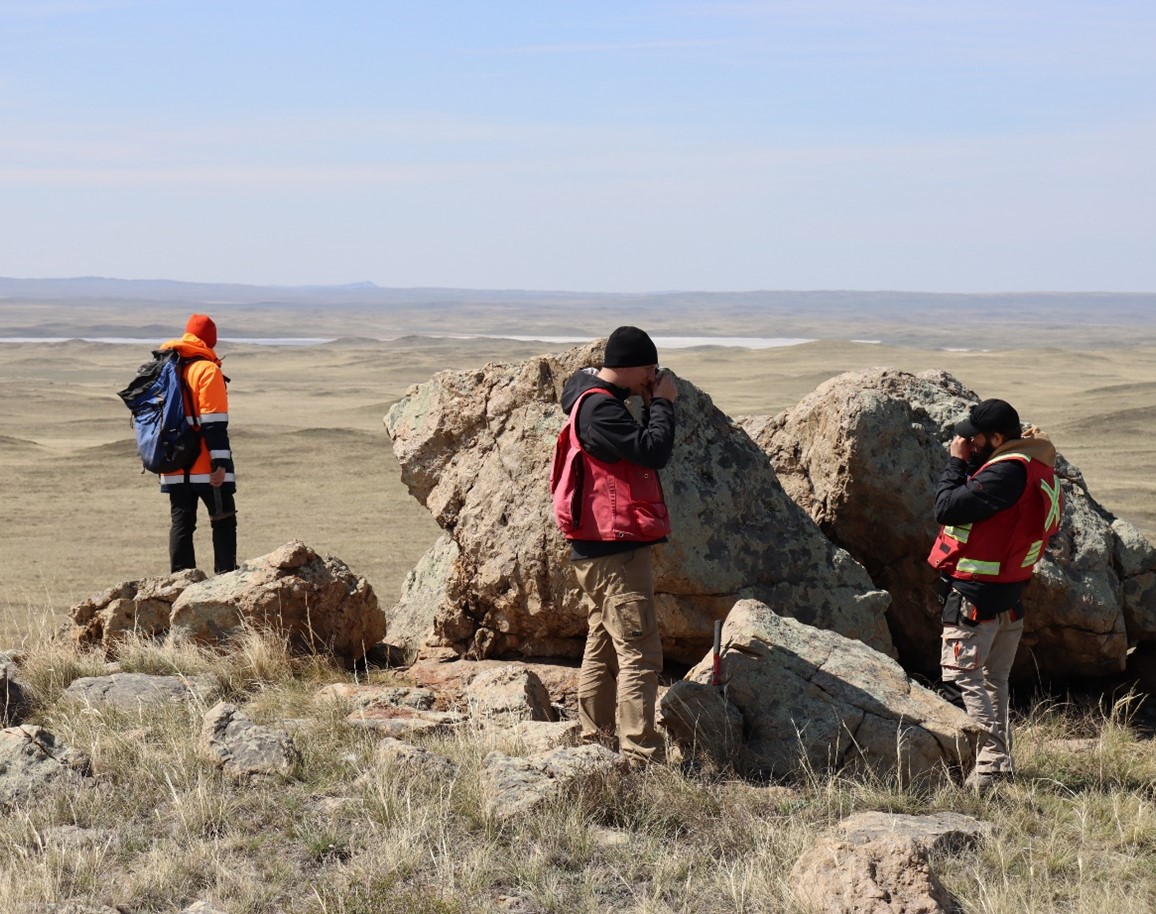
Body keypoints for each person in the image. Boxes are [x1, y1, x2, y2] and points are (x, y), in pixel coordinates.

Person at [555, 326, 678, 765]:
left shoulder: (592, 402)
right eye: (649, 368)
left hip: (600, 549)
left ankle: (595, 740)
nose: (653, 375)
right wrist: (662, 403)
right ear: (631, 367)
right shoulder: (601, 411)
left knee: (604, 642)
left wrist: (647, 402)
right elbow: (652, 450)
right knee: (640, 651)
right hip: (615, 549)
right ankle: (640, 755)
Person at [928, 398, 1062, 788]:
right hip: (1007, 595)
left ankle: (990, 766)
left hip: (976, 596)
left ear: (998, 438)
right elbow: (991, 511)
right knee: (992, 681)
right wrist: (972, 463)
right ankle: (999, 767)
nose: (968, 442)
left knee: (962, 677)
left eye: (976, 438)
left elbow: (947, 507)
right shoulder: (1032, 467)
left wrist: (956, 463)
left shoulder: (1006, 473)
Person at [159, 314, 238, 575]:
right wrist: (220, 464)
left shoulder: (167, 366)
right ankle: (225, 578)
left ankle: (180, 581)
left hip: (173, 463)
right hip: (206, 466)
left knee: (181, 523)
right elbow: (214, 423)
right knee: (223, 519)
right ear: (210, 340)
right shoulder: (207, 370)